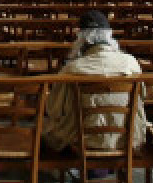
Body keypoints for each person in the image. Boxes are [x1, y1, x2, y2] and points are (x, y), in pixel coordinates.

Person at [41, 10, 147, 154]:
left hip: (82, 139)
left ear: (82, 39)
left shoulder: (73, 68)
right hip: (126, 138)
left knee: (47, 127)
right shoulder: (131, 63)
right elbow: (143, 98)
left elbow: (54, 108)